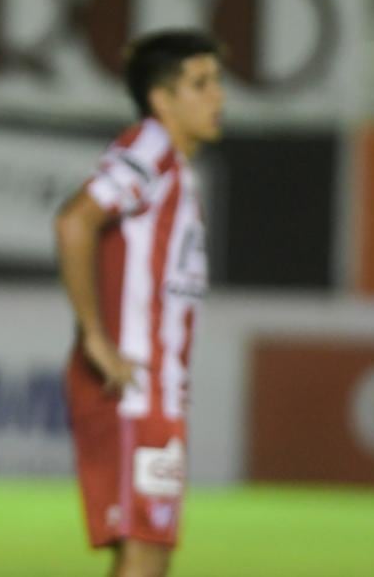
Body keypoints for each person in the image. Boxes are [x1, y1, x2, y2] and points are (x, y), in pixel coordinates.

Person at [54, 30, 224, 577]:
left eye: (216, 81)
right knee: (145, 552)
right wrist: (96, 338)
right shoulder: (150, 146)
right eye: (200, 83)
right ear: (161, 98)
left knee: (151, 552)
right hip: (132, 388)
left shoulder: (176, 165)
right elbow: (75, 219)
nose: (218, 96)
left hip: (159, 392)